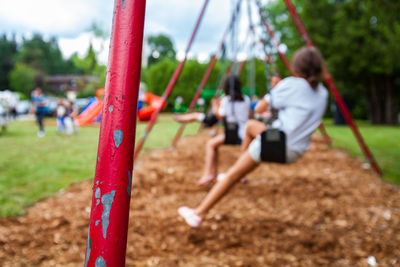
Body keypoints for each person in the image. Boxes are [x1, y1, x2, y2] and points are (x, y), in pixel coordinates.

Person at [178, 47, 329, 228]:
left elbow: (259, 109)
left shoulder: (291, 84)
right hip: (296, 150)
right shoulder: (323, 93)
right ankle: (237, 175)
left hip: (277, 142)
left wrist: (277, 88)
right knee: (249, 131)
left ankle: (198, 214)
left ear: (296, 67)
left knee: (233, 172)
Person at [195, 74, 252, 186]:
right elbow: (250, 115)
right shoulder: (246, 99)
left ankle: (209, 174)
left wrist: (215, 105)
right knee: (243, 153)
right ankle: (242, 176)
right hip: (246, 134)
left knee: (211, 144)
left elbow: (220, 116)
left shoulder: (226, 100)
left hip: (233, 134)